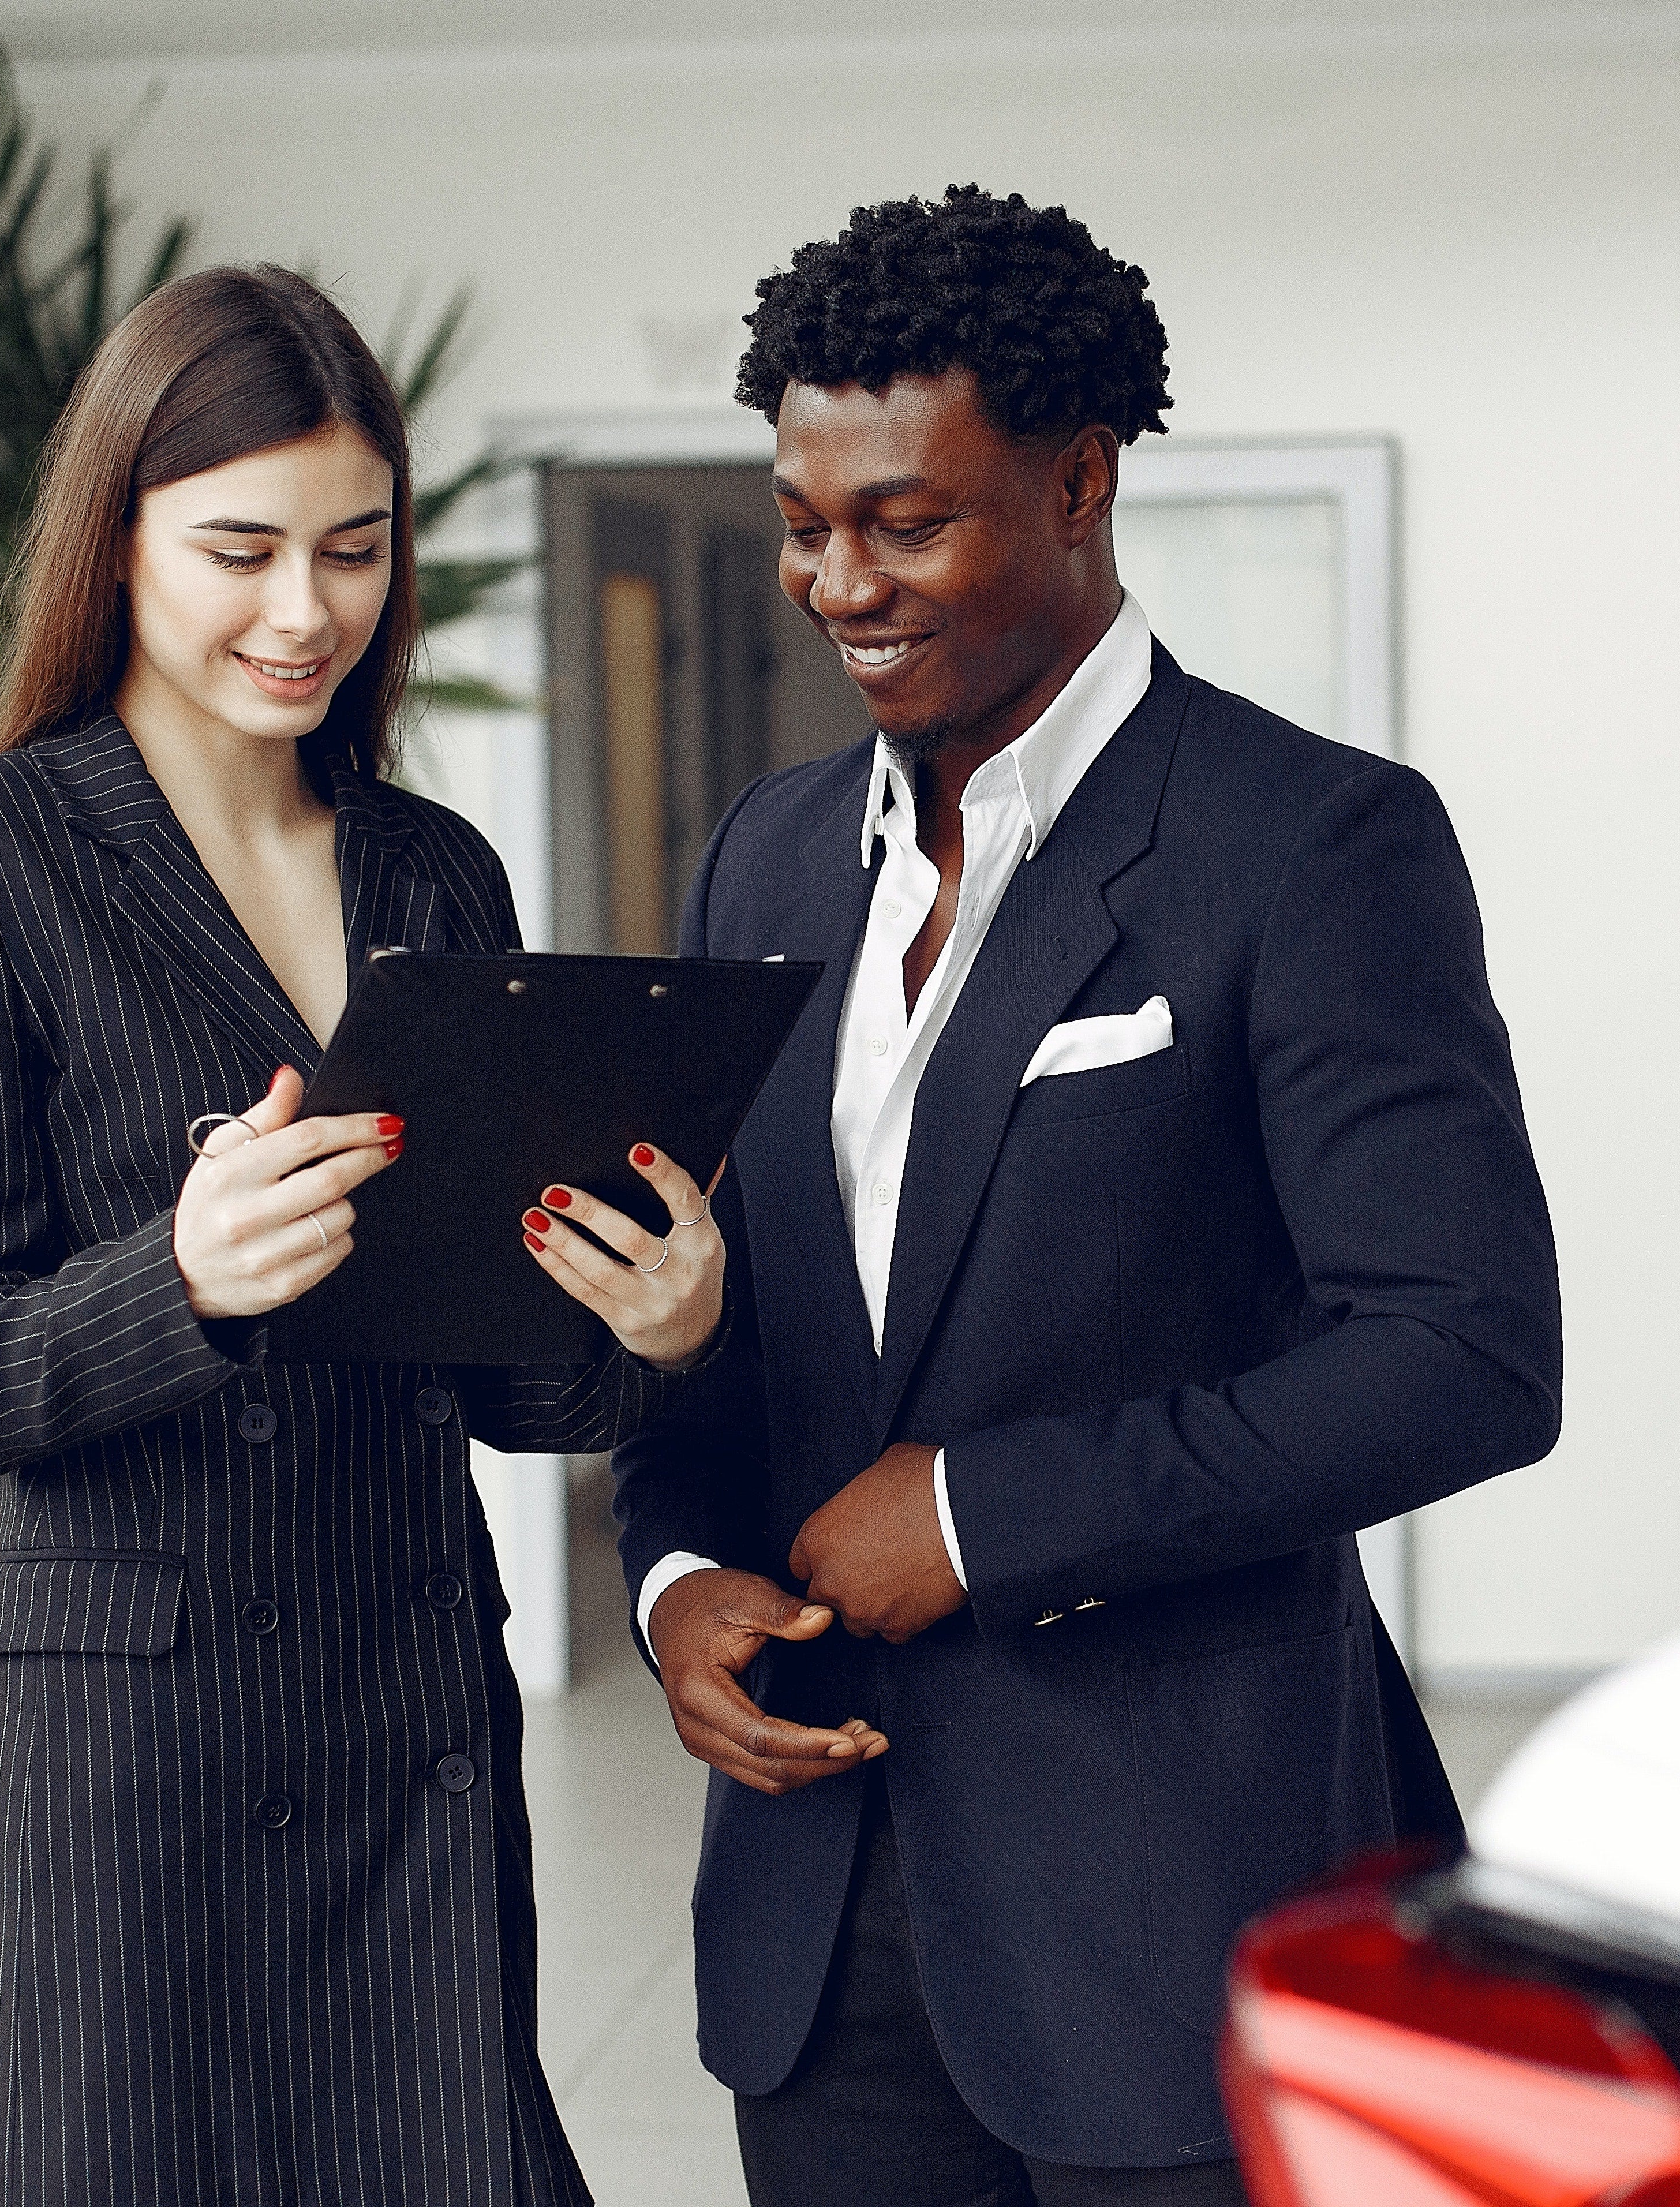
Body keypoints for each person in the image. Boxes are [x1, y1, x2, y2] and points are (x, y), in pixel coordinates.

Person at [612, 186, 1562, 2206]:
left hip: (1173, 1898)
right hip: (815, 1906)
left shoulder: (1311, 844)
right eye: (803, 522)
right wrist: (677, 1580)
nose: (835, 580)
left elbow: (1462, 1355)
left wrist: (979, 1513)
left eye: (906, 521)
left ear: (1078, 481)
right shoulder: (768, 865)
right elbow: (734, 1330)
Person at [0, 264, 732, 2207]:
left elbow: (519, 1383)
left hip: (407, 1719)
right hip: (128, 1788)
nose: (305, 609)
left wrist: (647, 1320)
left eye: (354, 547)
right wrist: (182, 1280)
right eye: (240, 548)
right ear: (122, 538)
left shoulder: (436, 869)